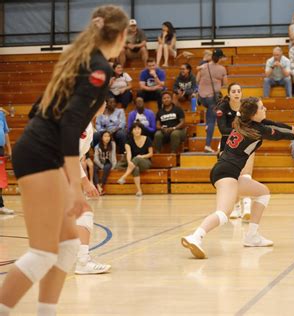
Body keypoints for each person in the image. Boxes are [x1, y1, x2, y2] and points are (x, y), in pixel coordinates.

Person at [0, 6, 128, 315]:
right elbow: (71, 123)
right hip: (42, 152)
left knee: (69, 245)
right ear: (122, 36)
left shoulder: (79, 59)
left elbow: (36, 110)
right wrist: (74, 183)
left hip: (42, 149)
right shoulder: (99, 67)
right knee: (44, 251)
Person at [181, 97, 294, 259]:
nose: (265, 109)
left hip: (229, 172)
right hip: (226, 173)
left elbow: (272, 123)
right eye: (262, 108)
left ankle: (252, 236)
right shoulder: (256, 130)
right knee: (223, 213)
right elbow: (275, 134)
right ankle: (195, 237)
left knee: (263, 192)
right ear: (254, 114)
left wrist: (292, 128)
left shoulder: (246, 122)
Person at [75, 121, 111, 275]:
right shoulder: (81, 123)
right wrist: (86, 182)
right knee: (84, 211)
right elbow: (67, 155)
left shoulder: (88, 124)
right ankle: (82, 262)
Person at [216, 83, 253, 220]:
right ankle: (236, 207)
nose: (237, 93)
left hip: (246, 142)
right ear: (229, 94)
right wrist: (239, 131)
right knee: (232, 177)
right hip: (228, 143)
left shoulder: (247, 108)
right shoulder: (222, 108)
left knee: (246, 174)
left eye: (239, 91)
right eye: (234, 91)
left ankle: (247, 206)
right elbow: (222, 129)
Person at [197, 48, 228, 153]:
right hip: (211, 98)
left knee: (209, 111)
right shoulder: (222, 69)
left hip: (201, 97)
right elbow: (225, 83)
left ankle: (206, 125)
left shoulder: (203, 66)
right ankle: (207, 145)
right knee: (212, 121)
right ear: (220, 58)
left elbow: (197, 80)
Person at [117, 122, 153, 196]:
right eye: (135, 129)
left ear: (141, 130)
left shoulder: (147, 139)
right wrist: (129, 161)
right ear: (132, 131)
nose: (137, 130)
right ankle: (139, 190)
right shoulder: (128, 142)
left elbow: (150, 154)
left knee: (136, 158)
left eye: (139, 129)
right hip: (134, 163)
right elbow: (129, 153)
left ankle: (124, 177)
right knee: (135, 168)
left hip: (145, 162)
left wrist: (141, 157)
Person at [93, 131, 117, 196]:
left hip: (107, 161)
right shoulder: (97, 146)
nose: (107, 138)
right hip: (99, 162)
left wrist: (113, 166)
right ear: (101, 137)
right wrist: (101, 166)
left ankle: (101, 186)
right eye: (105, 136)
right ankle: (98, 186)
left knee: (107, 167)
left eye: (108, 136)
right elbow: (95, 159)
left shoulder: (112, 144)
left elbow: (113, 156)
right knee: (94, 169)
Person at [0, 110, 13, 215]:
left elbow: (5, 133)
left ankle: (0, 205)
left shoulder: (1, 114)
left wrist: (9, 150)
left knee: (0, 178)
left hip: (0, 149)